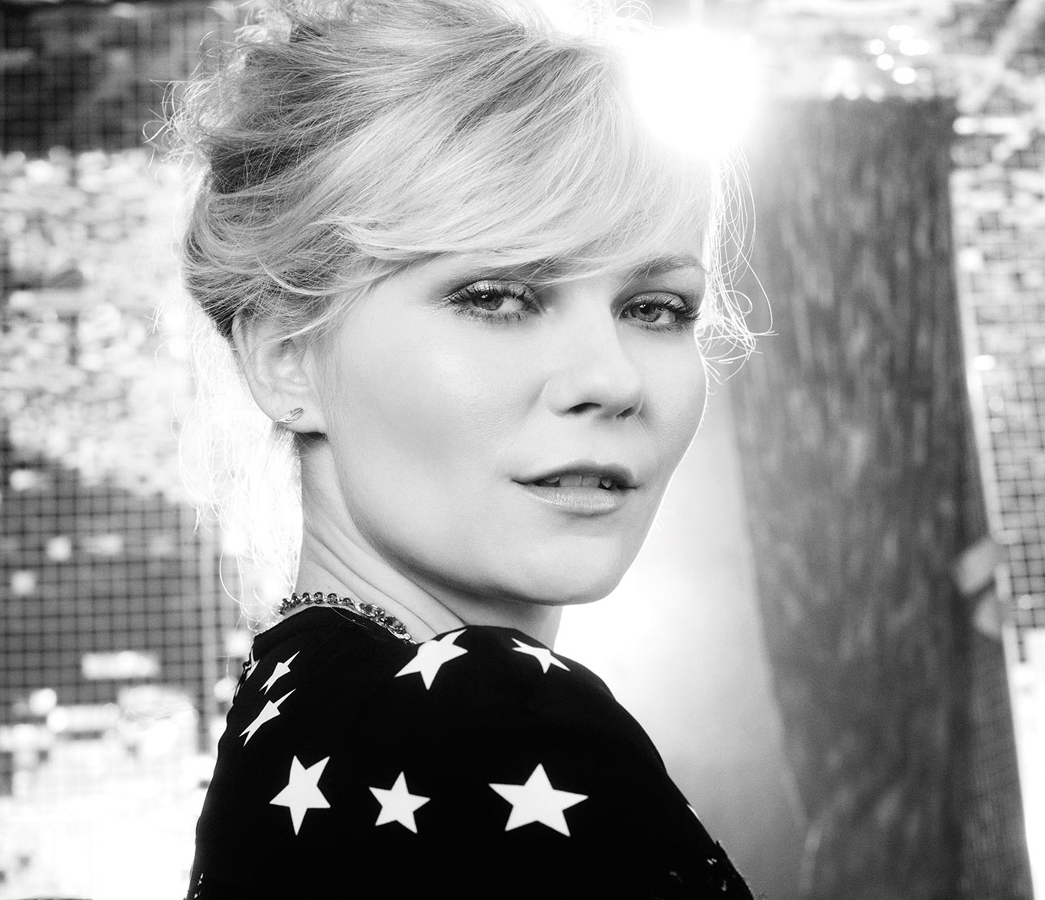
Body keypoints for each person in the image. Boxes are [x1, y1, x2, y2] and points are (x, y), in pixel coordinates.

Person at [173, 0, 756, 894]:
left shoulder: (293, 703)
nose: (612, 379)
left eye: (656, 308)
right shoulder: (495, 721)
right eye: (496, 297)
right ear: (288, 357)